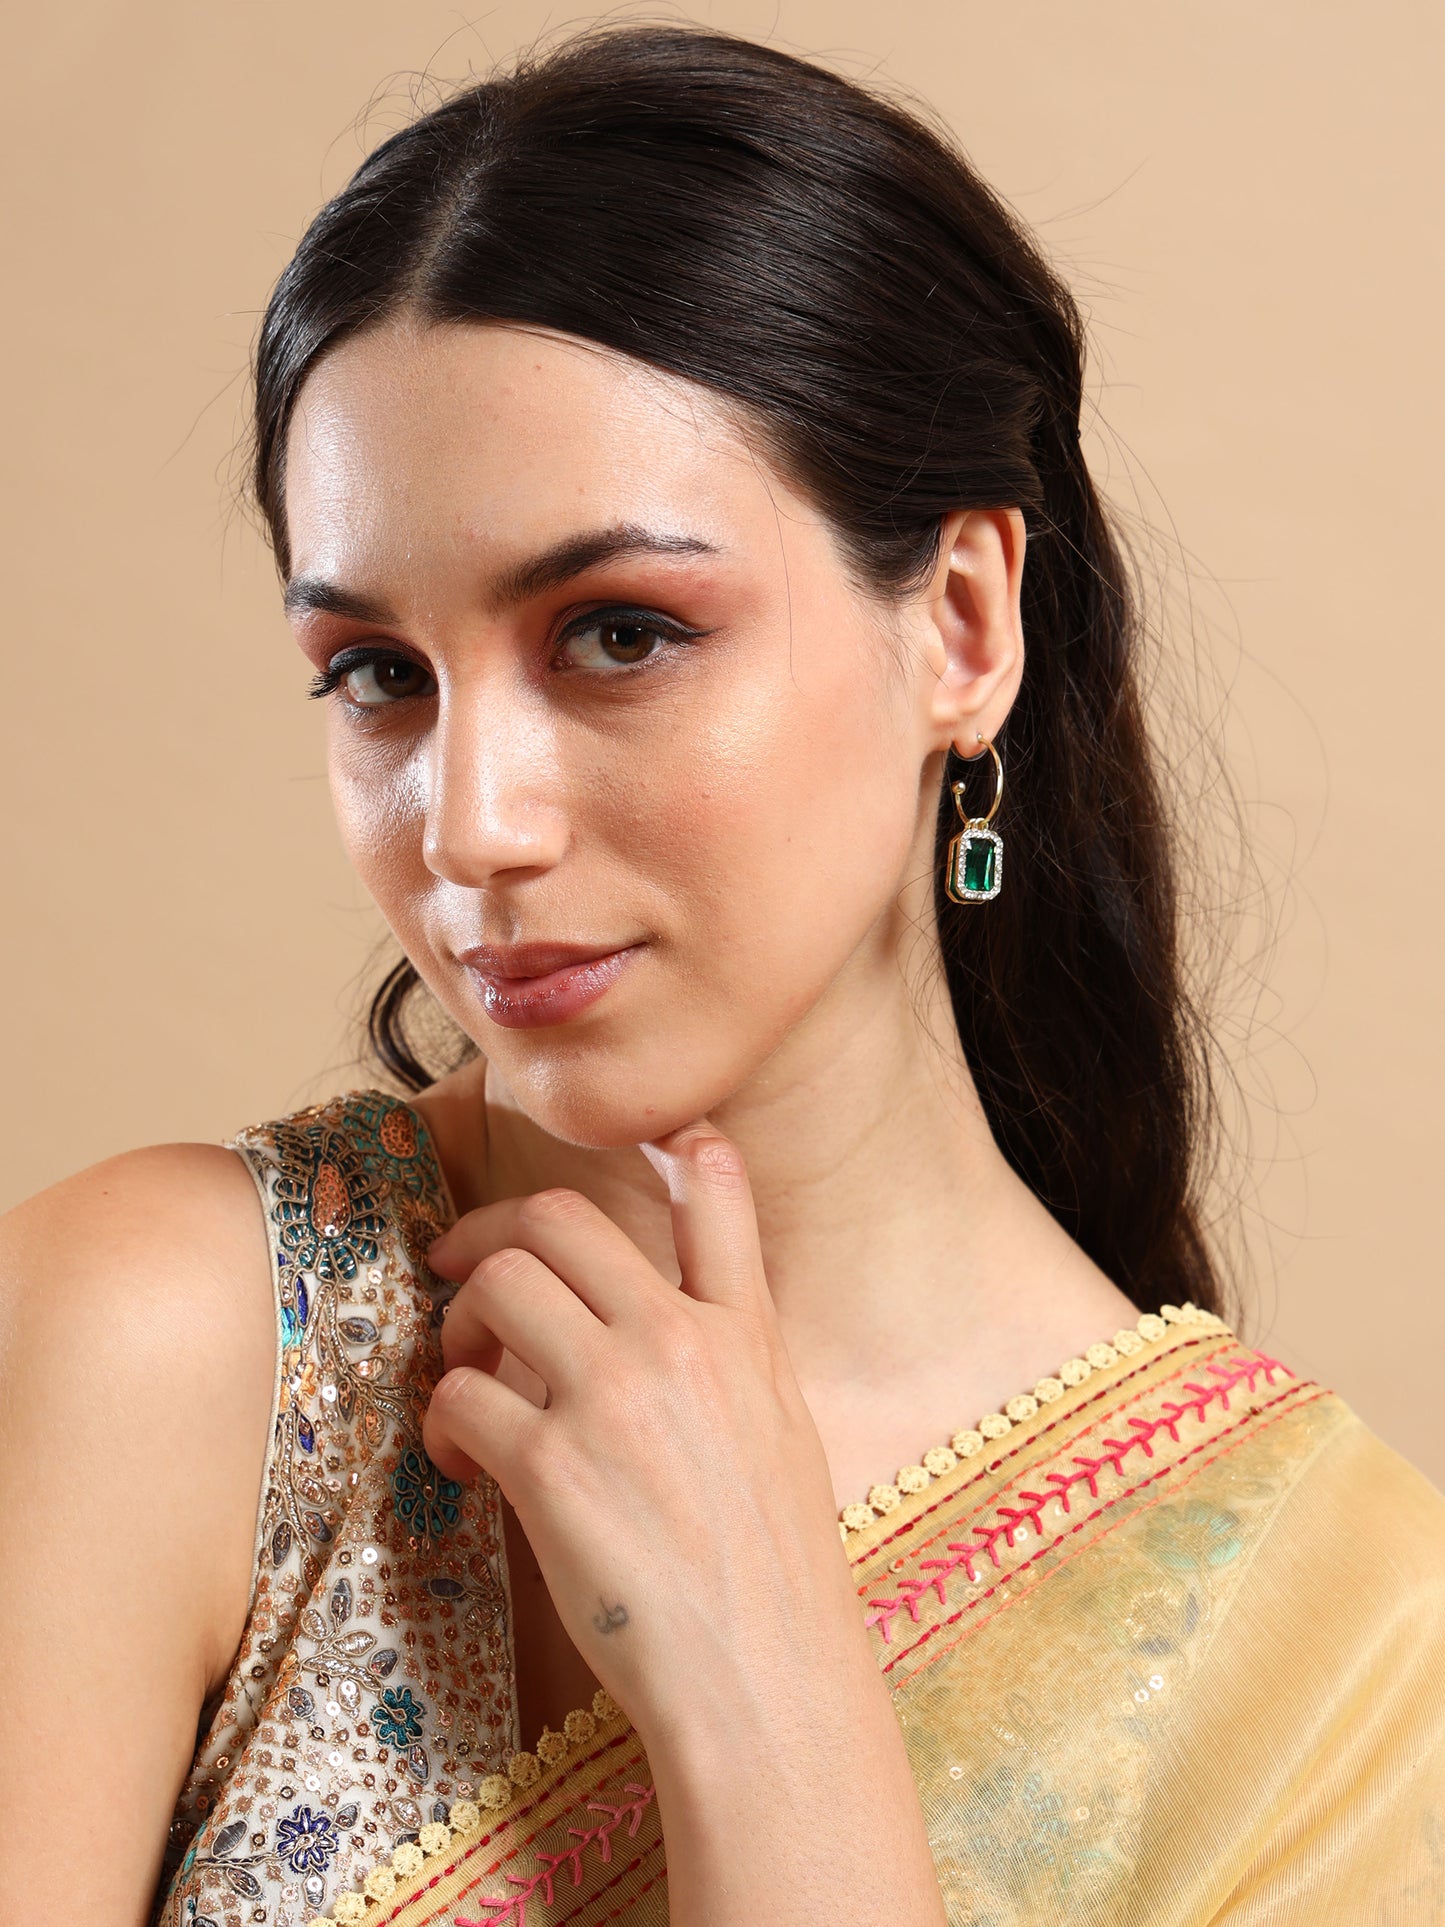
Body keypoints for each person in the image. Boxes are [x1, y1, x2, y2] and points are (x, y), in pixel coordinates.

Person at [2, 22, 1442, 1926]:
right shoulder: (165, 1353)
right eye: (376, 674)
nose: (471, 823)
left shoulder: (1338, 1660)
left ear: (958, 627)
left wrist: (773, 1726)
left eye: (617, 632)